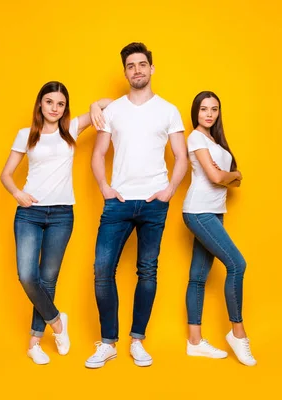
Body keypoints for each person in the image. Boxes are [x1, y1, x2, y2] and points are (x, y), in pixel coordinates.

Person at [85, 42, 188, 368]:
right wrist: (104, 187)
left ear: (152, 68)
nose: (137, 70)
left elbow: (182, 156)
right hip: (118, 202)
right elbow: (99, 153)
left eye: (142, 64)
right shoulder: (113, 109)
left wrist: (170, 189)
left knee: (147, 271)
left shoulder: (168, 110)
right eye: (131, 66)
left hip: (154, 202)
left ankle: (138, 341)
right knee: (103, 270)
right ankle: (107, 342)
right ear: (125, 72)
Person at [0, 81, 110, 364]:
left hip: (62, 214)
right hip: (30, 213)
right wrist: (17, 193)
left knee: (48, 279)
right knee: (27, 276)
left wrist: (94, 106)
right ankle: (58, 321)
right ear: (40, 104)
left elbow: (108, 102)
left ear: (65, 108)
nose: (54, 108)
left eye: (60, 104)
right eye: (49, 102)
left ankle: (34, 343)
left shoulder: (71, 129)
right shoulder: (26, 135)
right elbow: (6, 174)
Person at [182, 91, 256, 366]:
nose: (209, 114)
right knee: (237, 265)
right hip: (199, 210)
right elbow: (216, 177)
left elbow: (230, 180)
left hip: (215, 211)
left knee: (198, 277)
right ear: (196, 112)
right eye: (204, 109)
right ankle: (238, 333)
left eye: (214, 109)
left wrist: (230, 176)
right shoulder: (196, 138)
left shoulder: (216, 142)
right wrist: (232, 175)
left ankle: (195, 342)